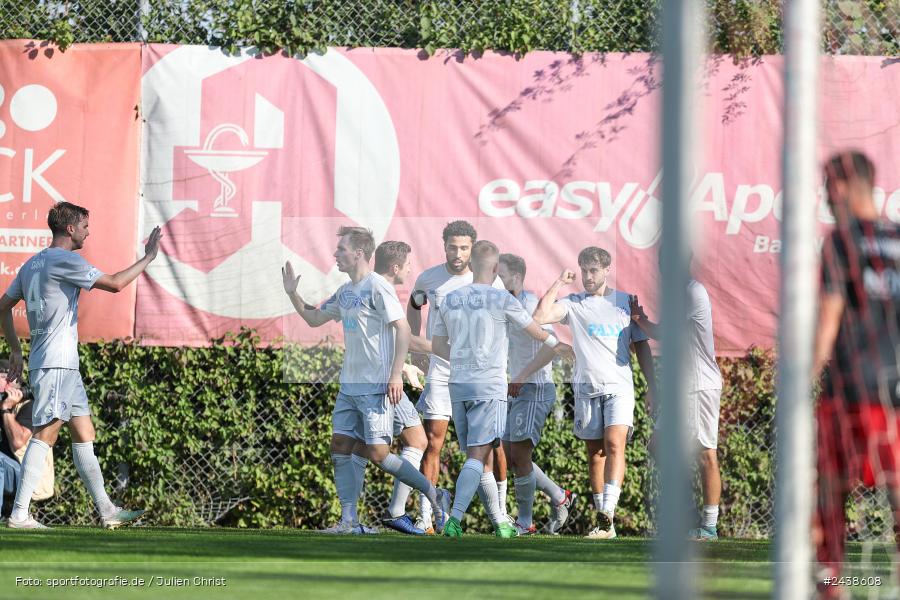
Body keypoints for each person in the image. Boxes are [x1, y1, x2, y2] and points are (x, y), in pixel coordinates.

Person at [0, 201, 160, 529]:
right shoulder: (65, 260)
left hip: (60, 366)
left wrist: (15, 350)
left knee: (84, 432)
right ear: (70, 229)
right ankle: (19, 514)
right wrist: (149, 257)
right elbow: (115, 283)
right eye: (85, 226)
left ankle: (106, 510)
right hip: (56, 365)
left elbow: (2, 307)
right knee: (45, 434)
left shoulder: (32, 264)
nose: (88, 232)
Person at [282, 226, 450, 535]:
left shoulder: (377, 287)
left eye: (341, 249)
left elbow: (401, 329)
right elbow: (314, 318)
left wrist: (396, 373)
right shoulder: (346, 291)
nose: (336, 254)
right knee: (340, 445)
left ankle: (432, 492)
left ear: (359, 253)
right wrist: (293, 293)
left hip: (376, 387)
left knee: (378, 454)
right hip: (350, 386)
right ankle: (349, 521)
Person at [431, 241, 571, 538]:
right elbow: (533, 328)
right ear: (495, 269)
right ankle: (454, 518)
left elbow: (439, 345)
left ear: (471, 265)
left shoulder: (450, 298)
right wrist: (555, 344)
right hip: (489, 385)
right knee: (478, 455)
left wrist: (462, 357)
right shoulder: (501, 300)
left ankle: (500, 522)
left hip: (458, 383)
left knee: (479, 456)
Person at [514, 247, 656, 539]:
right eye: (584, 271)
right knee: (595, 455)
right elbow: (539, 317)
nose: (588, 277)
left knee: (615, 443)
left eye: (594, 270)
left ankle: (608, 513)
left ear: (606, 270)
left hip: (619, 387)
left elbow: (641, 346)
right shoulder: (574, 303)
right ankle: (607, 525)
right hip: (586, 387)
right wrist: (558, 283)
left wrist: (652, 388)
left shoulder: (625, 302)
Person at [812, 151, 900, 596]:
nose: (826, 198)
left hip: (848, 391)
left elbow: (828, 320)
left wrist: (802, 376)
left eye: (827, 188)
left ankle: (832, 585)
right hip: (896, 395)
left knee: (830, 493)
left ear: (842, 188)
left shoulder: (840, 241)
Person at [406, 220, 507, 533]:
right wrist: (416, 346)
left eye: (464, 247)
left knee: (488, 448)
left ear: (473, 248)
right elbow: (413, 304)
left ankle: (500, 515)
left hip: (479, 376)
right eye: (453, 246)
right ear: (444, 245)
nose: (458, 253)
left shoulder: (493, 282)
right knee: (433, 442)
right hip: (442, 370)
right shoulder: (429, 279)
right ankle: (427, 516)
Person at [628, 260, 723, 541]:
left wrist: (639, 319)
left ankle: (708, 526)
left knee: (706, 452)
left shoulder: (693, 292)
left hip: (699, 386)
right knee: (657, 446)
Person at [345, 241, 432, 535]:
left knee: (414, 440)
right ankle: (363, 517)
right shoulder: (378, 287)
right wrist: (448, 350)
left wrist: (404, 367)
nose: (410, 269)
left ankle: (374, 515)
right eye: (408, 264)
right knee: (376, 450)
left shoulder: (369, 286)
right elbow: (403, 332)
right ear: (396, 267)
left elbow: (381, 337)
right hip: (379, 385)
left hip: (380, 380)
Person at [498, 253, 577, 535]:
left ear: (517, 277)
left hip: (535, 388)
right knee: (510, 453)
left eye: (501, 274)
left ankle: (525, 521)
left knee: (519, 454)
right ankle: (559, 496)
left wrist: (520, 376)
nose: (497, 279)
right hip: (516, 388)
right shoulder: (504, 303)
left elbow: (551, 347)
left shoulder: (530, 303)